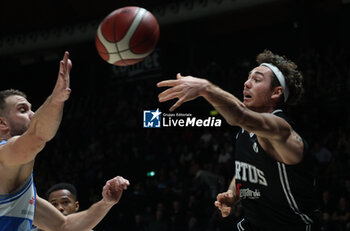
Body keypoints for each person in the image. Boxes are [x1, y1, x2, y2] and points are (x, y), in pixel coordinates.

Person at [157, 50, 319, 231]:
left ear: (276, 92)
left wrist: (206, 88)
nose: (246, 83)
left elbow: (239, 115)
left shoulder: (280, 130)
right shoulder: (244, 132)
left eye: (257, 80)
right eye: (248, 78)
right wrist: (232, 193)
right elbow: (248, 168)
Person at [0, 51, 130, 231]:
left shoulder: (18, 186)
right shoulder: (4, 155)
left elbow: (63, 226)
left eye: (32, 109)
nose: (33, 114)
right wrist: (56, 99)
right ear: (2, 123)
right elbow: (37, 136)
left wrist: (105, 203)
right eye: (23, 110)